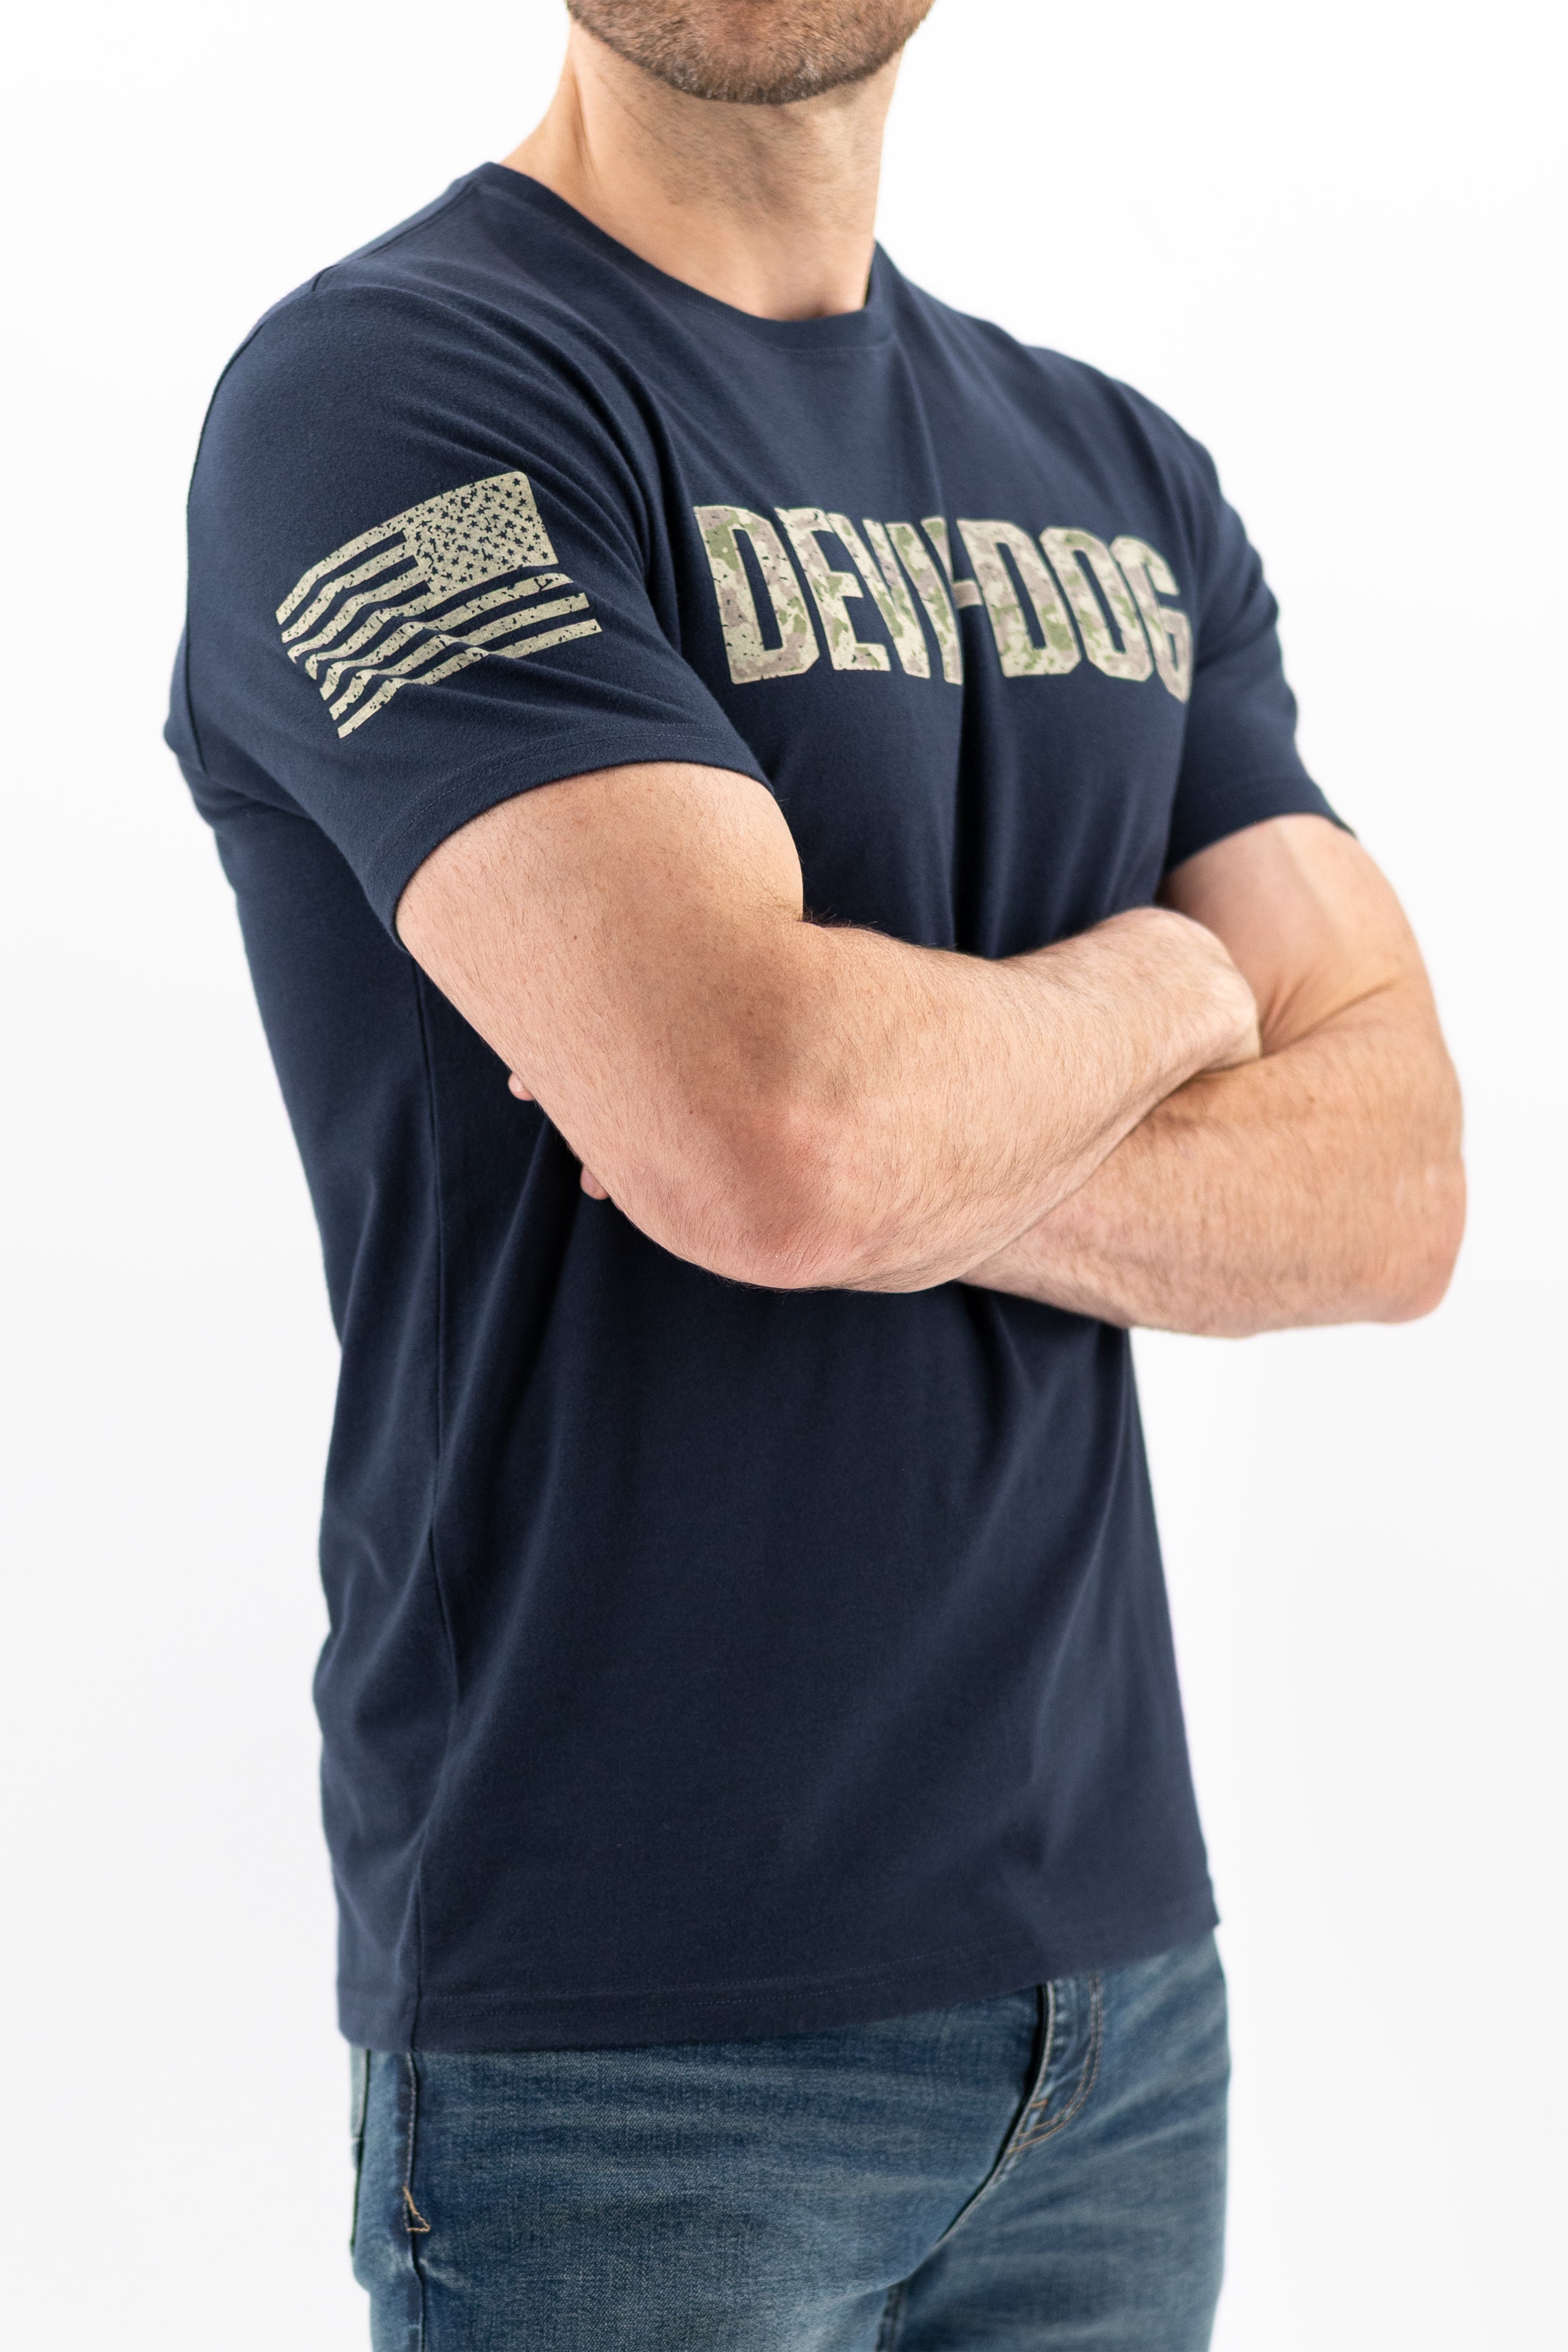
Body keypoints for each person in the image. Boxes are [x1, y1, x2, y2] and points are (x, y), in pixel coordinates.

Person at [166, 1, 1464, 2343]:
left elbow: (1395, 1187)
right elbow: (776, 1137)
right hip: (625, 2040)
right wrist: (1176, 982)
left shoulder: (1118, 478)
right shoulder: (389, 406)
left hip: (1120, 2005)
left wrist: (861, 1140)